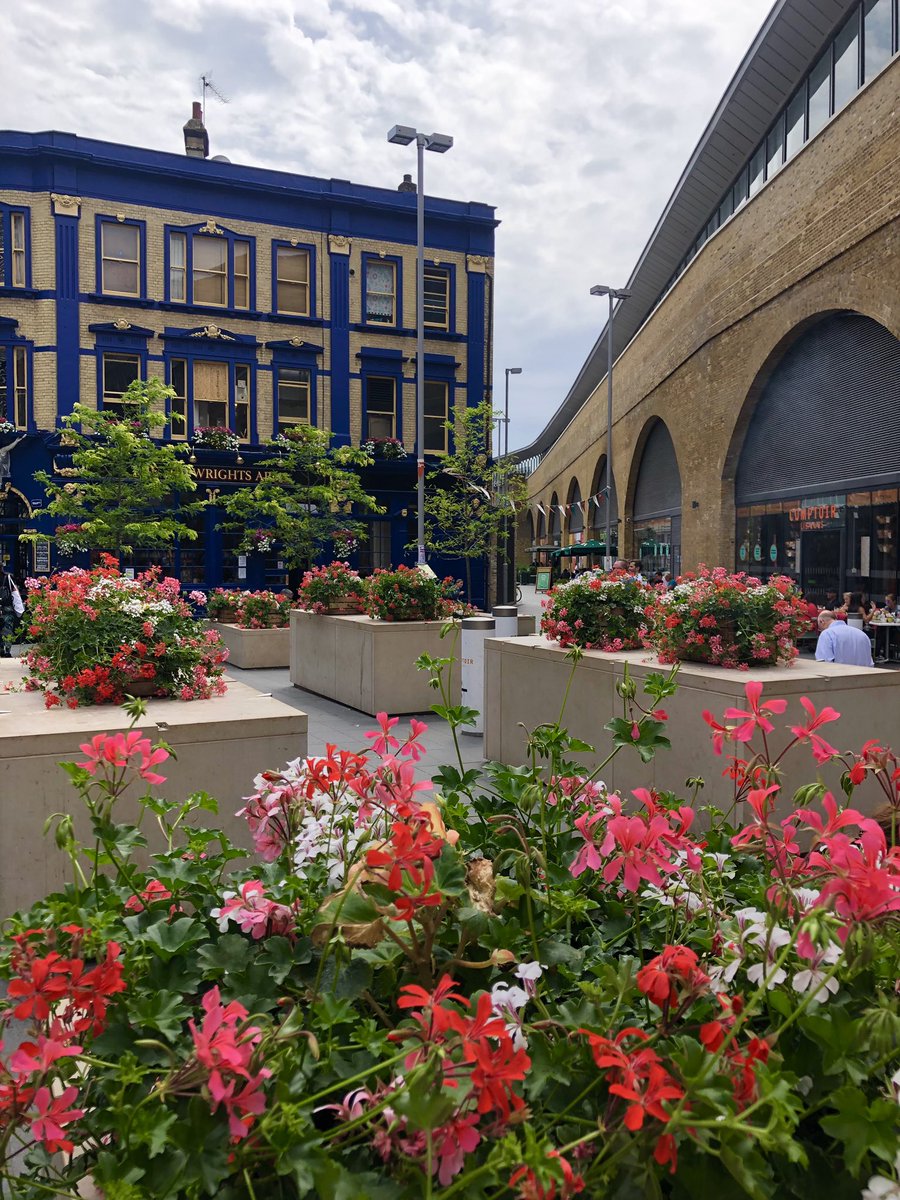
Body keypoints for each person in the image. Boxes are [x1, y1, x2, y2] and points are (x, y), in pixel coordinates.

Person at [0, 570, 24, 658]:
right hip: (7, 608)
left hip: (4, 607)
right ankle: (7, 650)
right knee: (7, 629)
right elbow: (14, 591)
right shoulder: (8, 577)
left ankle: (1, 649)